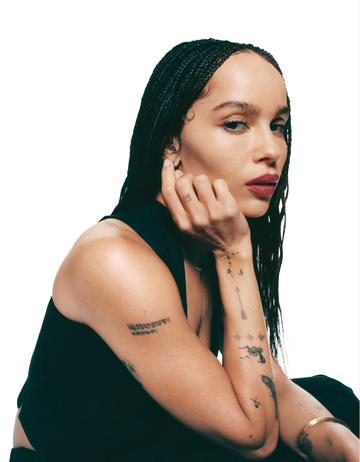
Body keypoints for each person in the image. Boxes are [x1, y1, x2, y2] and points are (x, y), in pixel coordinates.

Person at [10, 39, 359, 462]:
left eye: (279, 126)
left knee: (332, 401)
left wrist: (344, 446)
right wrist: (234, 254)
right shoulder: (114, 259)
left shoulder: (205, 236)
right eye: (236, 123)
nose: (271, 150)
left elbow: (272, 385)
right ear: (171, 141)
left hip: (159, 442)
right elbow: (253, 434)